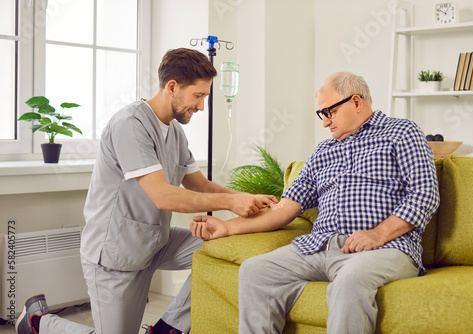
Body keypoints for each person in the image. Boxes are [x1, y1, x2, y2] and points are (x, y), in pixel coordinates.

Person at [15, 48, 277, 334]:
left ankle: (168, 328)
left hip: (157, 241)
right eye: (198, 96)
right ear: (172, 87)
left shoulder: (175, 132)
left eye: (205, 97)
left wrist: (246, 200)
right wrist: (232, 201)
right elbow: (163, 196)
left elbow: (199, 184)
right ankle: (36, 322)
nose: (202, 107)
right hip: (116, 253)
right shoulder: (131, 124)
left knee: (230, 248)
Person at [190, 72, 440, 333]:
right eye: (321, 114)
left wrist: (377, 234)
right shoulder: (323, 152)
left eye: (329, 112)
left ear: (356, 102)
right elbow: (286, 207)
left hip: (385, 248)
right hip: (319, 246)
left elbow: (425, 194)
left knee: (350, 281)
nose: (325, 123)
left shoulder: (402, 132)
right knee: (255, 270)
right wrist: (228, 227)